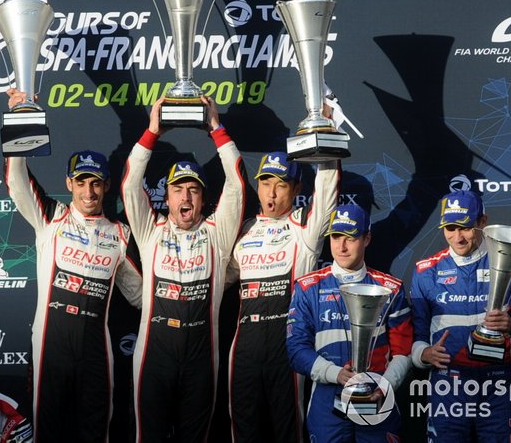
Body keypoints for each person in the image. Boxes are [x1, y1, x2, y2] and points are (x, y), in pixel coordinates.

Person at [4, 88, 142, 441]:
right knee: (47, 431)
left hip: (98, 350)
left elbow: (141, 295)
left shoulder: (120, 233)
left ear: (108, 186)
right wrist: (20, 120)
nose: (89, 192)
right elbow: (16, 181)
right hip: (51, 345)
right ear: (69, 183)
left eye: (96, 183)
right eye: (81, 182)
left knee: (96, 431)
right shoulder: (50, 217)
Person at [121, 96, 245, 442]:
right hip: (153, 358)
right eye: (178, 190)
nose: (186, 198)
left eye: (193, 190)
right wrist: (152, 132)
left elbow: (236, 182)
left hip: (201, 359)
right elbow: (130, 184)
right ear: (167, 196)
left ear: (204, 199)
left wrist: (216, 130)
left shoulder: (217, 234)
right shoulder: (149, 231)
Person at [409, 190, 511, 442]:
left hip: (500, 386)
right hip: (446, 386)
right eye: (450, 227)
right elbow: (417, 337)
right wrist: (423, 354)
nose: (457, 237)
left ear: (483, 222)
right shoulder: (425, 271)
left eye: (465, 227)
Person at [226, 153, 338, 442]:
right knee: (243, 428)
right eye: (265, 183)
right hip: (244, 347)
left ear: (297, 190)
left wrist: (326, 142)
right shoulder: (244, 230)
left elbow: (326, 191)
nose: (271, 193)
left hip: (287, 345)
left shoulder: (305, 228)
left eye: (281, 185)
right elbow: (214, 277)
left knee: (289, 428)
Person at [287, 204, 413, 442]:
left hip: (378, 399)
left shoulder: (391, 288)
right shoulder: (307, 287)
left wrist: (384, 386)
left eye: (350, 238)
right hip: (327, 401)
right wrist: (335, 374)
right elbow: (295, 350)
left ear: (367, 238)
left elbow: (403, 352)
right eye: (336, 237)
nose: (341, 246)